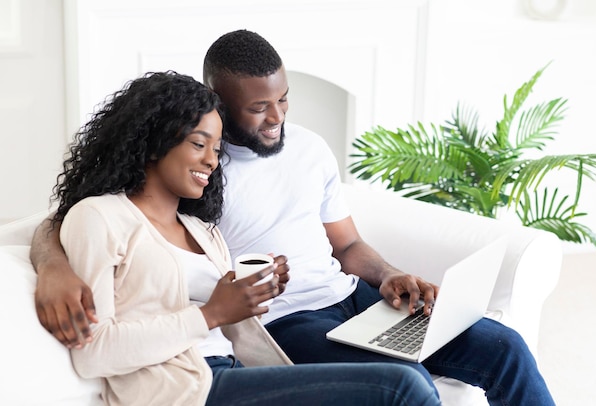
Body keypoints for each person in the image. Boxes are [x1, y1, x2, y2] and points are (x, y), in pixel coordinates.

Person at [31, 30, 555, 405]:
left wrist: (389, 275)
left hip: (351, 296)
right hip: (290, 323)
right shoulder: (190, 174)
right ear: (217, 99)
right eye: (259, 107)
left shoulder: (305, 150)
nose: (277, 117)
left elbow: (348, 247)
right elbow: (83, 213)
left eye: (283, 99)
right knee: (405, 378)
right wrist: (54, 265)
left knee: (503, 346)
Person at [44, 70, 440, 406]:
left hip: (238, 370)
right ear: (152, 142)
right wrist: (212, 313)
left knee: (413, 375)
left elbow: (229, 327)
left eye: (216, 148)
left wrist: (251, 297)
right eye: (199, 144)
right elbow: (94, 353)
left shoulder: (202, 230)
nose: (212, 160)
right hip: (190, 390)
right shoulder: (100, 216)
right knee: (402, 386)